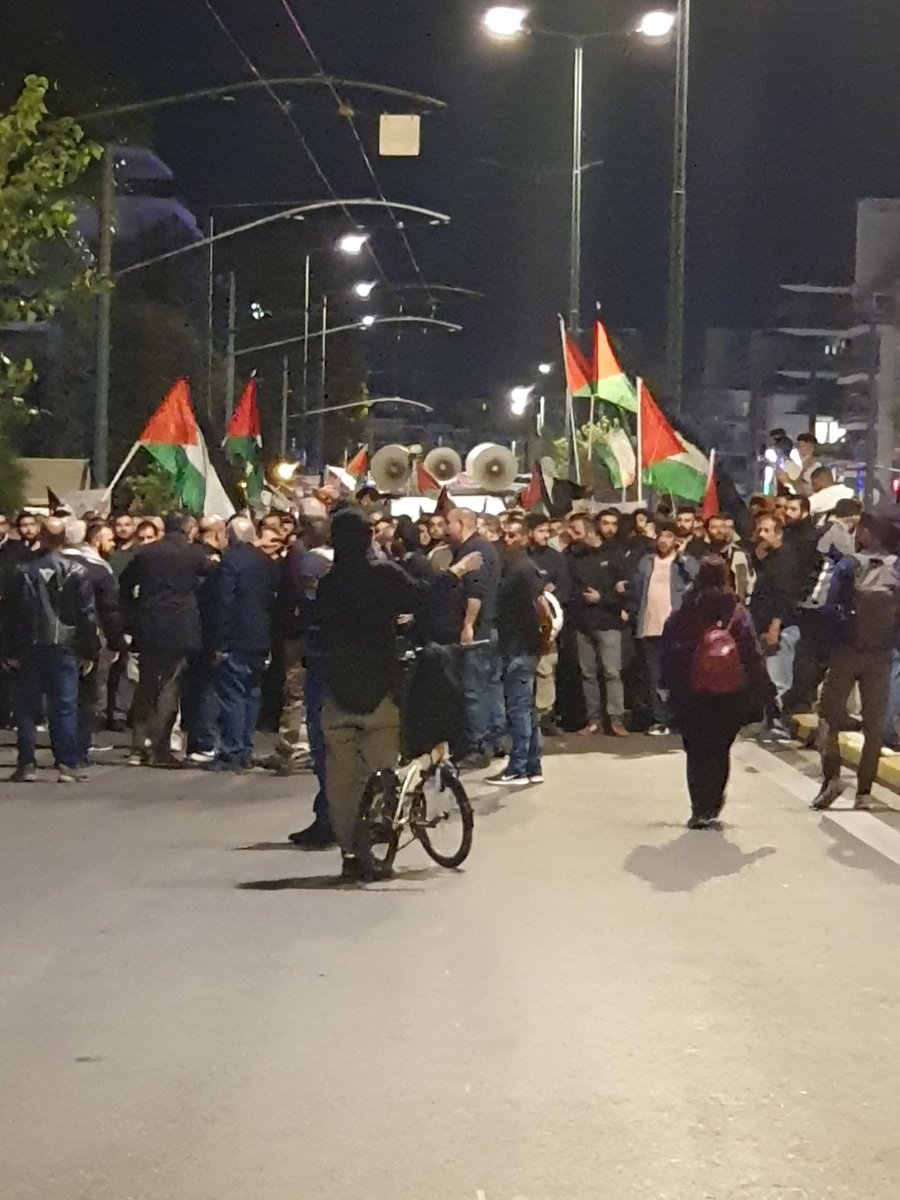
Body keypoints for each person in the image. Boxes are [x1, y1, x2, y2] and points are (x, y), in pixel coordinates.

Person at [662, 556, 773, 829]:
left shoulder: (687, 610)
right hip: (730, 694)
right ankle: (713, 803)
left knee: (696, 750)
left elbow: (669, 648)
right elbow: (752, 654)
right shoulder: (736, 612)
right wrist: (764, 690)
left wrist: (668, 683)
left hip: (691, 691)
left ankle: (698, 807)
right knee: (719, 749)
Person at [812, 514, 900, 810]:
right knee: (873, 726)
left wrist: (828, 648)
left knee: (827, 716)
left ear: (865, 532)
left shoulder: (849, 565)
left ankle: (832, 779)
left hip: (846, 652)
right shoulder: (897, 568)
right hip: (882, 655)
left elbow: (828, 608)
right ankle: (864, 792)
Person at [2, 517, 99, 782]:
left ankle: (27, 764)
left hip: (29, 645)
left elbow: (9, 614)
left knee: (26, 707)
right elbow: (86, 615)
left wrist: (8, 651)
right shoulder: (76, 571)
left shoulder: (22, 570)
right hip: (65, 646)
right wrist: (90, 651)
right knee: (64, 706)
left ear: (41, 537)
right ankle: (66, 764)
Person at [120, 512, 213, 766]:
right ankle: (160, 748)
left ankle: (139, 745)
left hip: (149, 625)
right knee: (170, 686)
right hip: (181, 627)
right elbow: (212, 576)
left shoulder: (145, 553)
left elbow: (125, 584)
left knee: (147, 685)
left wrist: (134, 612)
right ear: (189, 529)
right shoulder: (194, 554)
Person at [208, 517, 282, 771]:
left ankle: (232, 751)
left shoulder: (229, 562)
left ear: (230, 536)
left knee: (233, 695)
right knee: (252, 694)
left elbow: (224, 603)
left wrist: (220, 642)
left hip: (236, 637)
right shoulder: (266, 562)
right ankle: (246, 746)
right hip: (260, 636)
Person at [487, 516, 546, 787]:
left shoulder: (524, 569)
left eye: (513, 535)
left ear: (524, 538)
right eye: (505, 535)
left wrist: (540, 641)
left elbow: (541, 607)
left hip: (521, 647)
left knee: (519, 710)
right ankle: (532, 764)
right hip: (516, 645)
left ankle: (519, 766)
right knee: (526, 709)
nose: (507, 540)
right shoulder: (513, 568)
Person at [63, 519, 126, 766]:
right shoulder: (98, 570)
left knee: (62, 696)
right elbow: (109, 610)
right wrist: (116, 641)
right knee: (86, 696)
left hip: (51, 637)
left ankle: (62, 750)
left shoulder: (41, 564)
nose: (112, 544)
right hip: (87, 637)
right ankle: (78, 750)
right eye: (109, 539)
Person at [447, 507, 503, 768]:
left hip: (479, 631)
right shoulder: (484, 547)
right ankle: (496, 740)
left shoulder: (474, 551)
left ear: (461, 523)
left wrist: (468, 624)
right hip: (490, 629)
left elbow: (475, 592)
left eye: (449, 523)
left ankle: (479, 747)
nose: (446, 528)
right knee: (490, 686)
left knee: (474, 690)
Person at [566, 513, 629, 737]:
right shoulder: (573, 557)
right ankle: (593, 720)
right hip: (582, 624)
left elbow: (624, 590)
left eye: (575, 530)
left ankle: (616, 719)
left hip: (608, 622)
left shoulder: (614, 555)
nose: (571, 535)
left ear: (590, 531)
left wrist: (602, 599)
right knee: (588, 674)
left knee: (612, 672)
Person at [633, 521, 698, 735]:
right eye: (661, 536)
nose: (664, 541)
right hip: (650, 626)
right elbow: (637, 589)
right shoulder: (646, 561)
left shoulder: (681, 562)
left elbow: (696, 578)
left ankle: (679, 717)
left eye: (669, 536)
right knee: (654, 676)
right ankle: (660, 718)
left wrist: (682, 556)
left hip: (675, 628)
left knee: (677, 674)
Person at [749, 515, 800, 740]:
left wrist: (774, 627)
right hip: (764, 624)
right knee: (767, 678)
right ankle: (770, 722)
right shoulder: (769, 558)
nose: (761, 535)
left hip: (780, 627)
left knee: (779, 680)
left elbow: (783, 596)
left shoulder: (785, 559)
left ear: (778, 533)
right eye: (759, 530)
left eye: (766, 531)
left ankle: (781, 726)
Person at [526, 512, 571, 736]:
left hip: (547, 624)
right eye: (541, 531)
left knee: (545, 670)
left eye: (547, 531)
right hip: (522, 624)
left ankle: (544, 715)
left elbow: (564, 590)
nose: (546, 535)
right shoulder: (520, 557)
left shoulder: (555, 559)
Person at [706, 512, 753, 602]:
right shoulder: (703, 554)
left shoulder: (738, 555)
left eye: (722, 527)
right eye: (714, 527)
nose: (719, 531)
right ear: (708, 530)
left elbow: (741, 587)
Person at [777, 431, 821, 497]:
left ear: (812, 448)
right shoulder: (789, 465)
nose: (799, 449)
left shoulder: (818, 467)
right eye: (798, 446)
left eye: (802, 446)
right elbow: (791, 484)